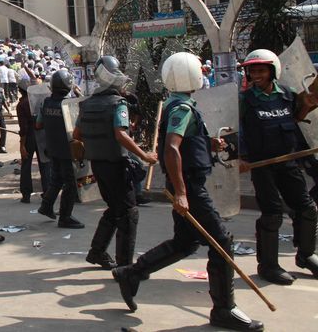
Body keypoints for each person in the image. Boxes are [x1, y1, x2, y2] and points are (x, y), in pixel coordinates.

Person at [113, 52, 263, 331]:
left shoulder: (179, 104)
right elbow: (171, 148)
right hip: (190, 187)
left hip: (187, 184)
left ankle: (131, 273)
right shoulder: (181, 108)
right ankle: (223, 308)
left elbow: (182, 145)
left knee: (185, 243)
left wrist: (208, 144)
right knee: (222, 242)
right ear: (194, 75)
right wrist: (182, 192)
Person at [238, 48, 318, 285]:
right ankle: (268, 265)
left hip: (287, 160)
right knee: (272, 215)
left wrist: (308, 104)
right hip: (262, 166)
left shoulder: (287, 94)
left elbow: (296, 119)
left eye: (261, 70)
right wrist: (241, 157)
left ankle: (306, 255)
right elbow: (236, 130)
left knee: (307, 209)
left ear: (273, 71)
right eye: (252, 71)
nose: (256, 75)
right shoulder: (244, 100)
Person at [78, 56, 157, 270]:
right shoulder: (118, 104)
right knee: (129, 213)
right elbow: (121, 135)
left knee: (114, 209)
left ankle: (97, 252)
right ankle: (125, 267)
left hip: (98, 164)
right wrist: (144, 155)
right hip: (116, 164)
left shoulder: (86, 104)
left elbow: (77, 133)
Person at [36, 70, 84, 229]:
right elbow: (78, 127)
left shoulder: (45, 103)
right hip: (67, 149)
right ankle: (65, 217)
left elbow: (38, 125)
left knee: (56, 179)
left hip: (52, 147)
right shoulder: (70, 105)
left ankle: (46, 206)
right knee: (70, 184)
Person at [17, 78, 49, 203]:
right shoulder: (40, 100)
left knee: (26, 165)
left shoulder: (22, 104)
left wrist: (22, 145)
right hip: (42, 134)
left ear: (20, 90)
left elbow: (23, 127)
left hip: (29, 136)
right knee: (45, 164)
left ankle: (26, 195)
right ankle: (47, 192)